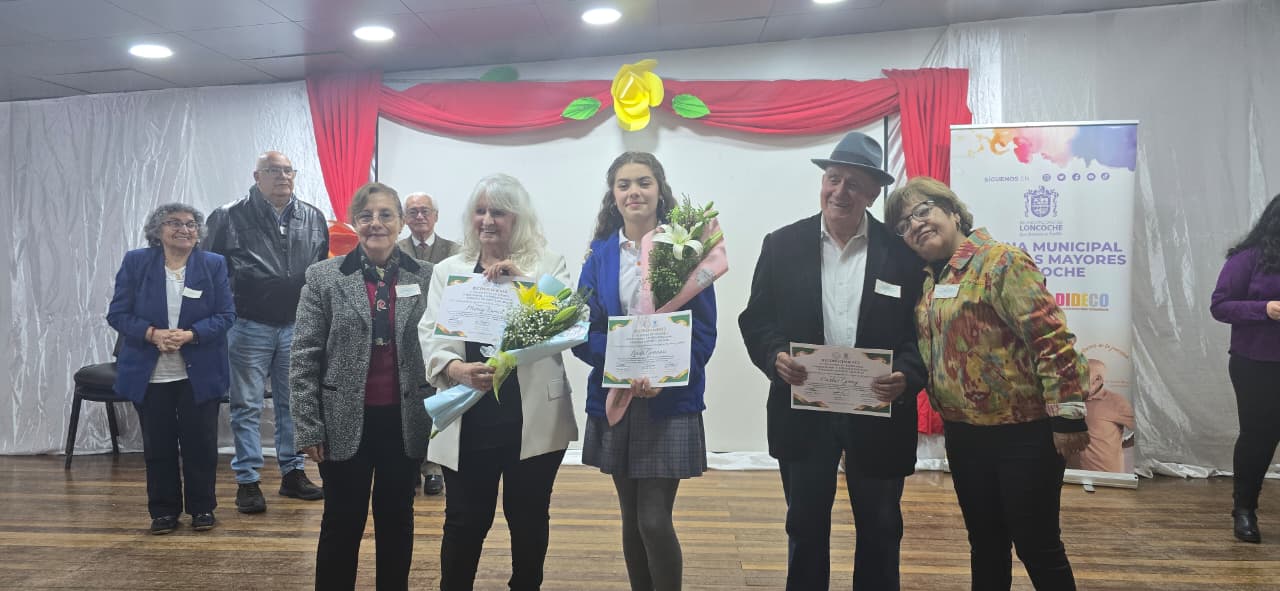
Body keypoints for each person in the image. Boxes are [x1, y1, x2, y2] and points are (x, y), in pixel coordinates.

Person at [738, 131, 926, 591]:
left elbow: (923, 333)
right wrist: (775, 356)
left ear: (874, 193)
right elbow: (757, 320)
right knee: (804, 528)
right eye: (833, 179)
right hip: (803, 413)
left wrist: (907, 374)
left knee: (882, 529)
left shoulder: (902, 256)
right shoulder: (782, 245)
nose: (841, 192)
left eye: (854, 184)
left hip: (880, 415)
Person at [885, 176, 1090, 590]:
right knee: (985, 543)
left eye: (923, 211)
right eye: (904, 225)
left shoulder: (1001, 262)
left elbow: (1050, 338)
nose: (915, 225)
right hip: (964, 434)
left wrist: (1068, 415)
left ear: (953, 211)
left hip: (1024, 433)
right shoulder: (928, 281)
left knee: (1037, 545)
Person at [417, 173, 579, 591]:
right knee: (464, 522)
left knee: (528, 519)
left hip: (533, 419)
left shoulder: (547, 263)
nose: (487, 220)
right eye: (480, 211)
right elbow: (431, 332)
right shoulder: (448, 270)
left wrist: (523, 281)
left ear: (517, 218)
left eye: (499, 212)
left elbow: (566, 325)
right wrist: (455, 368)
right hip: (468, 416)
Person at [573, 152, 717, 591]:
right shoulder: (599, 255)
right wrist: (622, 366)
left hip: (668, 401)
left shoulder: (686, 250)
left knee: (653, 520)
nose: (633, 192)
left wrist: (664, 375)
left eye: (643, 182)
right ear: (613, 195)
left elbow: (703, 332)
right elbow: (581, 329)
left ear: (659, 190)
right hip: (615, 398)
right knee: (631, 518)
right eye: (624, 184)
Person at [290, 182, 435, 590]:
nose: (376, 223)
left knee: (397, 519)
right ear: (354, 222)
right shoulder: (324, 277)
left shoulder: (427, 276)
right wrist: (308, 426)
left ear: (401, 222)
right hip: (341, 421)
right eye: (366, 215)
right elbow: (303, 355)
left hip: (405, 420)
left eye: (386, 214)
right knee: (341, 520)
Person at [205, 151, 329, 513]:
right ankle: (247, 480)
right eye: (273, 170)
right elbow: (210, 271)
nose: (282, 176)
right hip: (248, 325)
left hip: (297, 326)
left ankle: (293, 473)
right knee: (246, 405)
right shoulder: (228, 216)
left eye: (288, 170)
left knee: (294, 403)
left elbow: (321, 273)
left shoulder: (313, 217)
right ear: (256, 176)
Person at [107, 204, 235, 534]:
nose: (184, 229)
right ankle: (163, 511)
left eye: (191, 224)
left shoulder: (213, 264)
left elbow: (226, 316)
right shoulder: (137, 262)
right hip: (151, 373)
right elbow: (118, 314)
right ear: (157, 230)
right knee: (158, 444)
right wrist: (152, 334)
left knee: (201, 444)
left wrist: (192, 334)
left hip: (200, 371)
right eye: (174, 223)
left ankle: (202, 508)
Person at [1210, 192, 1280, 544]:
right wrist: (1263, 309)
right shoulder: (1247, 259)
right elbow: (1220, 306)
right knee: (1259, 437)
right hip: (1257, 363)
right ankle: (1244, 510)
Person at [396, 191, 459, 497]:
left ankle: (433, 467)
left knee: (437, 398)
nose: (419, 216)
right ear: (404, 218)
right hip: (404, 336)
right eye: (413, 212)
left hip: (443, 337)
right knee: (408, 402)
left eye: (425, 211)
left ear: (436, 216)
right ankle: (410, 464)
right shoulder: (395, 250)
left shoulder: (455, 251)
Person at [1066, 359, 1134, 474]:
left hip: (1106, 476)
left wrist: (1124, 443)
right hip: (1073, 475)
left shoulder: (1117, 402)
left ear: (1097, 379)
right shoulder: (1068, 399)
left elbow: (1144, 432)